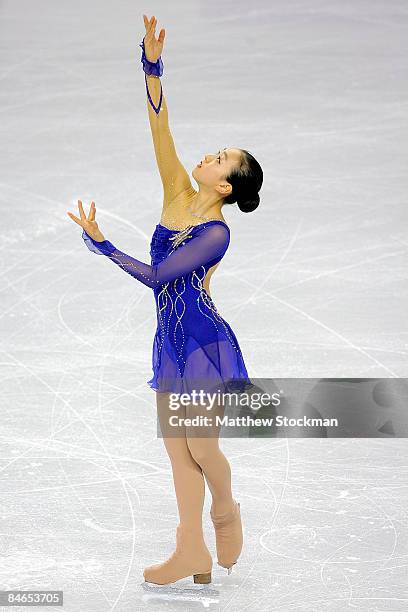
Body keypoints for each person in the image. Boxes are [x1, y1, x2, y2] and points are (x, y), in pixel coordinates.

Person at [67, 13, 263, 586]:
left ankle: (224, 509)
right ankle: (189, 550)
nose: (208, 154)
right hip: (169, 343)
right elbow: (161, 128)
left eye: (219, 157)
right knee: (177, 453)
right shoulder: (177, 190)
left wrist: (104, 246)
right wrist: (152, 65)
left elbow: (159, 277)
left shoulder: (216, 234)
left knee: (201, 447)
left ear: (224, 186)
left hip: (201, 342)